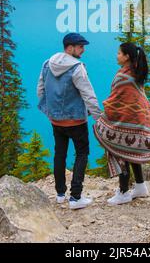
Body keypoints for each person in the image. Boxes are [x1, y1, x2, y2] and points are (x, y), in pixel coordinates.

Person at [94, 42, 150, 205]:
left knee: (121, 151)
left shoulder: (123, 76)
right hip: (138, 119)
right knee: (132, 151)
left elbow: (116, 100)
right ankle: (140, 186)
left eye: (119, 53)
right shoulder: (135, 72)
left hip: (126, 120)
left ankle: (123, 192)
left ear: (127, 57)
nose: (116, 55)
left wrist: (105, 112)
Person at [37, 32, 102, 210]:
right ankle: (75, 197)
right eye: (80, 46)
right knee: (82, 154)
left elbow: (40, 90)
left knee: (60, 154)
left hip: (56, 121)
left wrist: (50, 111)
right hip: (76, 122)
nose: (83, 50)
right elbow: (88, 95)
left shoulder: (47, 64)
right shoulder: (77, 68)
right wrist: (98, 118)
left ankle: (59, 194)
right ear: (70, 48)